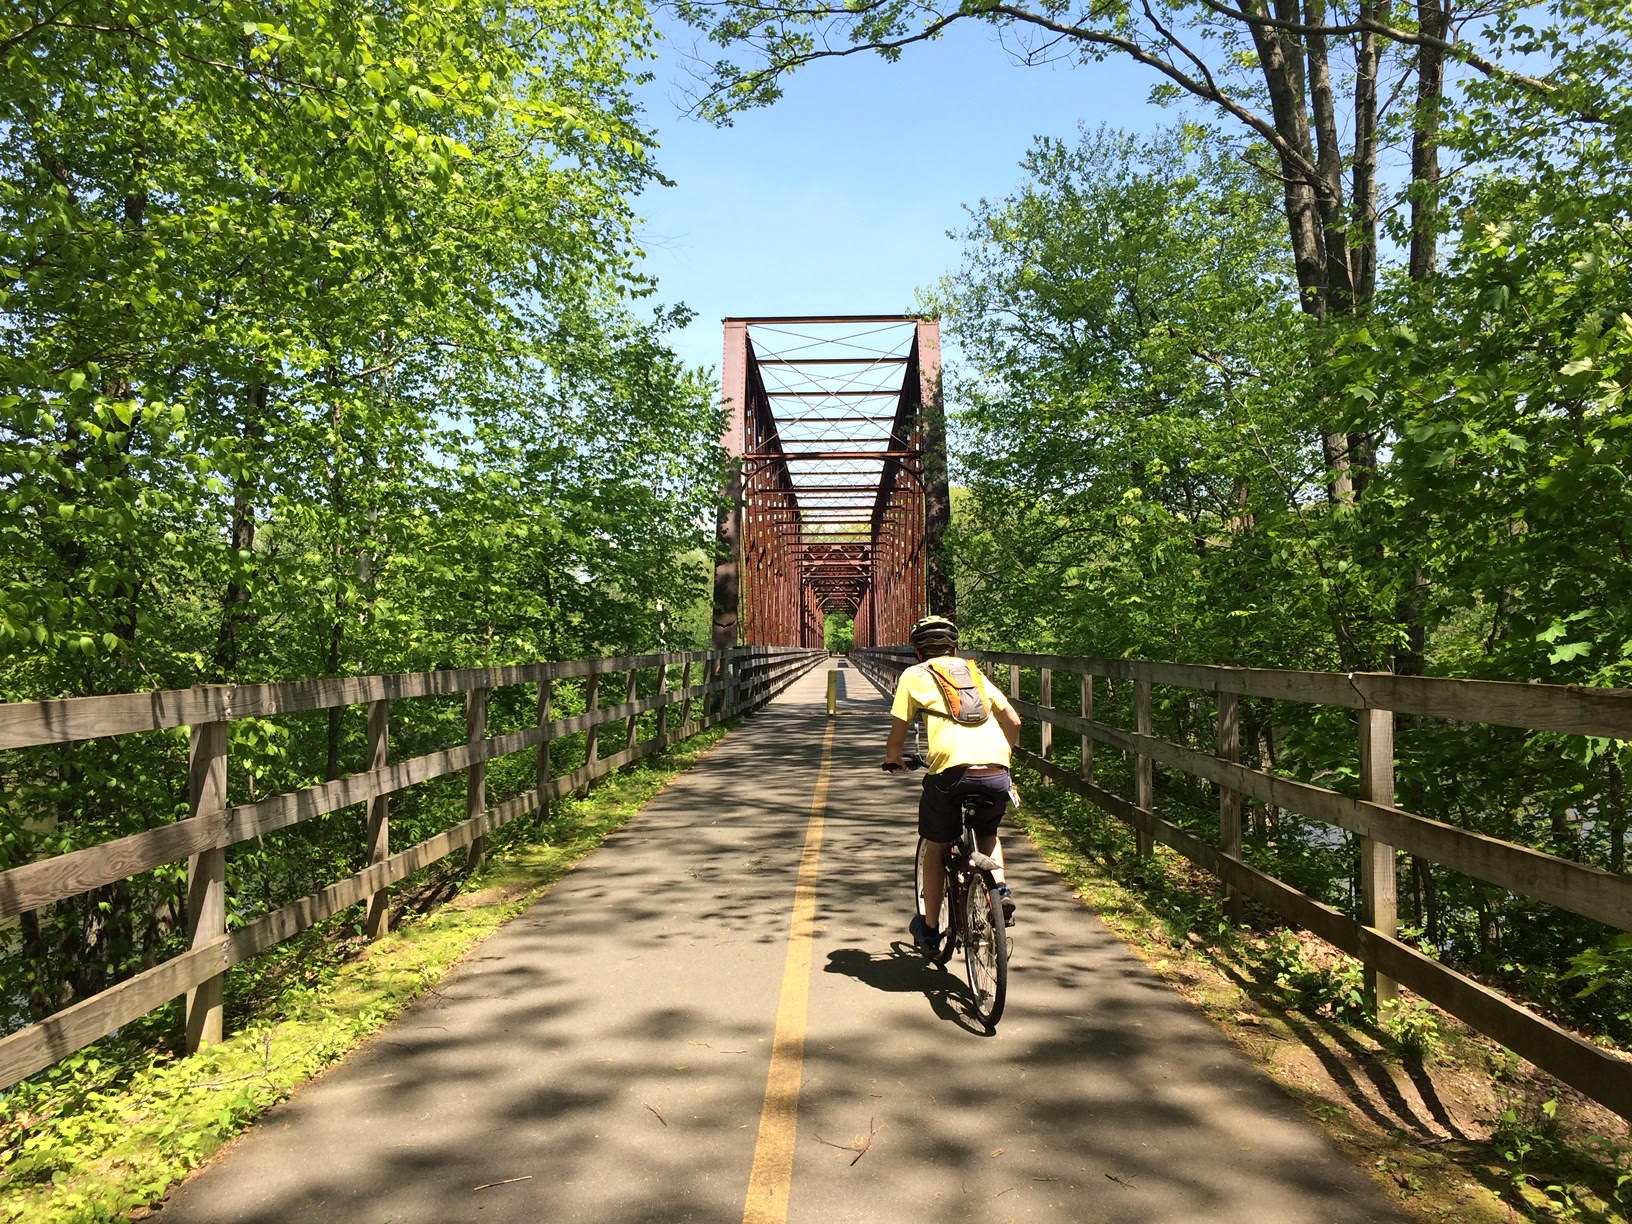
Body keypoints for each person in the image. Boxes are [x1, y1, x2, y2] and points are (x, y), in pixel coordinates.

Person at [882, 613, 1022, 954]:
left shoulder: (914, 675)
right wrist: (1004, 756)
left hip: (950, 770)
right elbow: (1013, 720)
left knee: (936, 844)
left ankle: (930, 930)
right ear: (955, 648)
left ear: (918, 652)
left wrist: (893, 758)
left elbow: (898, 734)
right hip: (995, 767)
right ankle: (999, 891)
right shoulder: (973, 673)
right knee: (987, 831)